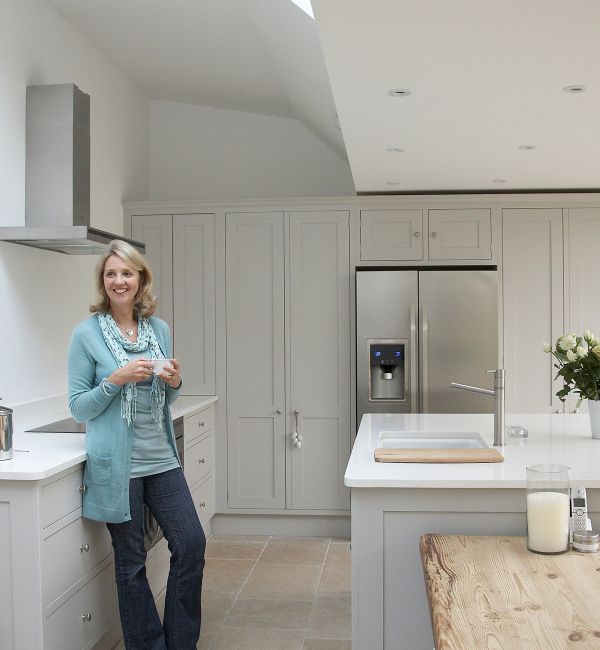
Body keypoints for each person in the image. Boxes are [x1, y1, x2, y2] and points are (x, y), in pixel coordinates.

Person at [68, 239, 205, 650]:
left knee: (191, 545)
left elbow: (167, 396)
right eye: (111, 274)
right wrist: (115, 381)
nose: (118, 280)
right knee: (131, 565)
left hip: (162, 458)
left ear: (141, 278)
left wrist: (175, 381)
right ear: (103, 282)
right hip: (118, 468)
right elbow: (78, 407)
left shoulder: (157, 329)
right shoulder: (86, 335)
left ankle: (180, 643)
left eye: (126, 272)